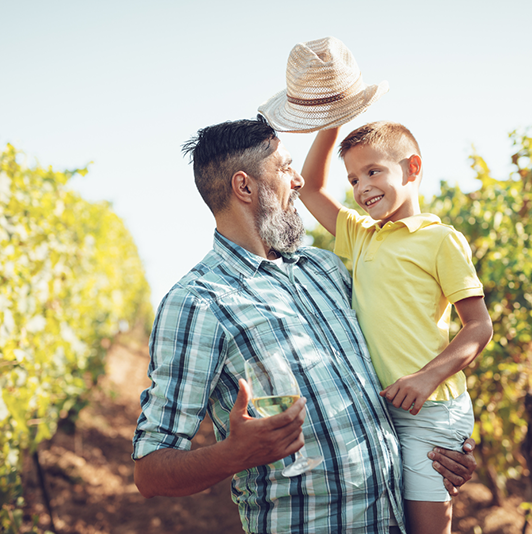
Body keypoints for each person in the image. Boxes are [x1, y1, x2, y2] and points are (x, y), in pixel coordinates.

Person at [132, 115, 477, 534]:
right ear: (245, 187)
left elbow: (406, 332)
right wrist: (233, 455)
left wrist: (441, 441)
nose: (298, 181)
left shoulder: (326, 269)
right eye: (284, 167)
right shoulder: (199, 302)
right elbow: (149, 471)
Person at [297, 121, 494, 534]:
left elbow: (478, 327)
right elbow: (310, 188)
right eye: (352, 178)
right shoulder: (360, 235)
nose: (361, 186)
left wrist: (427, 377)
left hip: (430, 409)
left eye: (373, 171)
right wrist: (333, 119)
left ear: (412, 168)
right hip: (378, 407)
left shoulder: (440, 239)